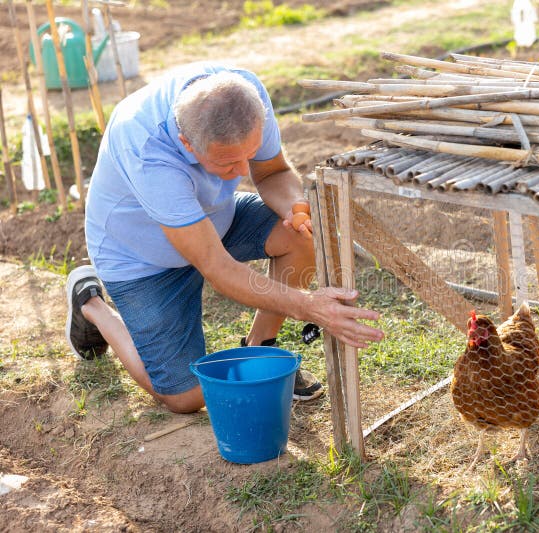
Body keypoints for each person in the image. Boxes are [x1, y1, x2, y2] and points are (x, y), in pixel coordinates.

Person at [65, 63, 384, 414]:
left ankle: (262, 352)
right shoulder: (146, 150)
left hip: (212, 220)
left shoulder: (242, 96)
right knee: (184, 398)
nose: (245, 171)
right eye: (229, 163)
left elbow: (273, 172)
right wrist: (310, 306)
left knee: (300, 238)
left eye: (249, 154)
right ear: (187, 144)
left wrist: (295, 208)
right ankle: (91, 304)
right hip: (139, 258)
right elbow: (217, 267)